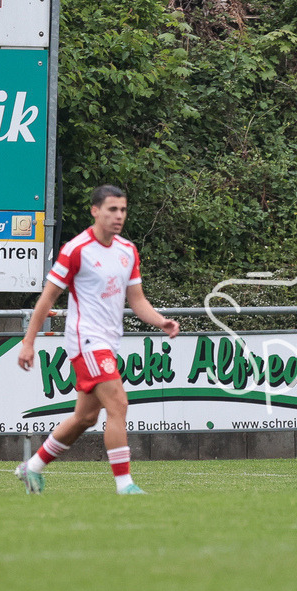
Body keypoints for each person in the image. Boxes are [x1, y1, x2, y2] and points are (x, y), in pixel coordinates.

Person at [14, 185, 180, 494]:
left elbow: (137, 300)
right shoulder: (76, 249)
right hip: (86, 340)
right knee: (118, 404)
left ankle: (32, 467)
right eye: (112, 210)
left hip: (109, 341)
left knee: (85, 417)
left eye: (123, 210)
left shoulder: (127, 251)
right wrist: (28, 342)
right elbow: (47, 299)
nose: (119, 216)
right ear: (95, 211)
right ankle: (125, 485)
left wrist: (160, 321)